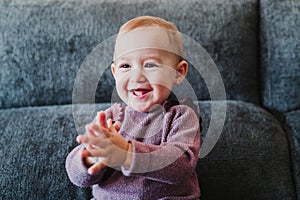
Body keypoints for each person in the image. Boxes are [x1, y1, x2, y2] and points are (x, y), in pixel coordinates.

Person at [66, 15, 201, 199]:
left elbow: (181, 166)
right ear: (114, 73)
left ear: (178, 72)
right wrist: (91, 157)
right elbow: (77, 177)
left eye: (150, 64)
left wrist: (127, 154)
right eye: (126, 65)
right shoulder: (110, 118)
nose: (137, 76)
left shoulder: (182, 116)